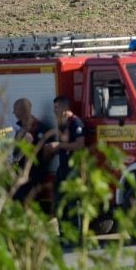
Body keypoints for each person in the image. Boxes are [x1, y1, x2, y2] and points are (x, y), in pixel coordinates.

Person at [46, 96, 86, 236]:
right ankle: (64, 233)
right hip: (63, 167)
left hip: (73, 168)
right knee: (59, 200)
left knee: (72, 202)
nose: (54, 110)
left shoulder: (76, 123)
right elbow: (64, 146)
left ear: (64, 108)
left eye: (56, 107)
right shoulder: (62, 124)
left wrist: (60, 145)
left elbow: (80, 145)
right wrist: (54, 148)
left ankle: (75, 234)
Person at [11, 98, 52, 203]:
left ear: (22, 111)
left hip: (33, 176)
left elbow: (46, 154)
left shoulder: (40, 128)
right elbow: (15, 152)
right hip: (19, 174)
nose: (13, 113)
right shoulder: (19, 129)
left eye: (15, 110)